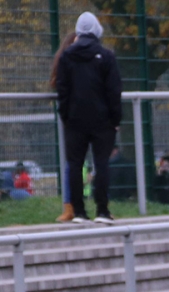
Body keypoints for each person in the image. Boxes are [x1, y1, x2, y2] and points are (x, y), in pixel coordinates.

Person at [56, 12, 122, 224]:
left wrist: (66, 115)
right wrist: (115, 119)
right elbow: (114, 91)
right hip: (102, 120)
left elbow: (62, 89)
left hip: (75, 119)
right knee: (101, 163)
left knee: (75, 164)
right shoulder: (106, 56)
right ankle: (102, 210)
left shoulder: (67, 56)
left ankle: (79, 212)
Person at [50, 31, 78, 222]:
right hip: (74, 116)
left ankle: (102, 206)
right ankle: (70, 206)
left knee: (99, 161)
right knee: (72, 161)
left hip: (90, 114)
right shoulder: (65, 61)